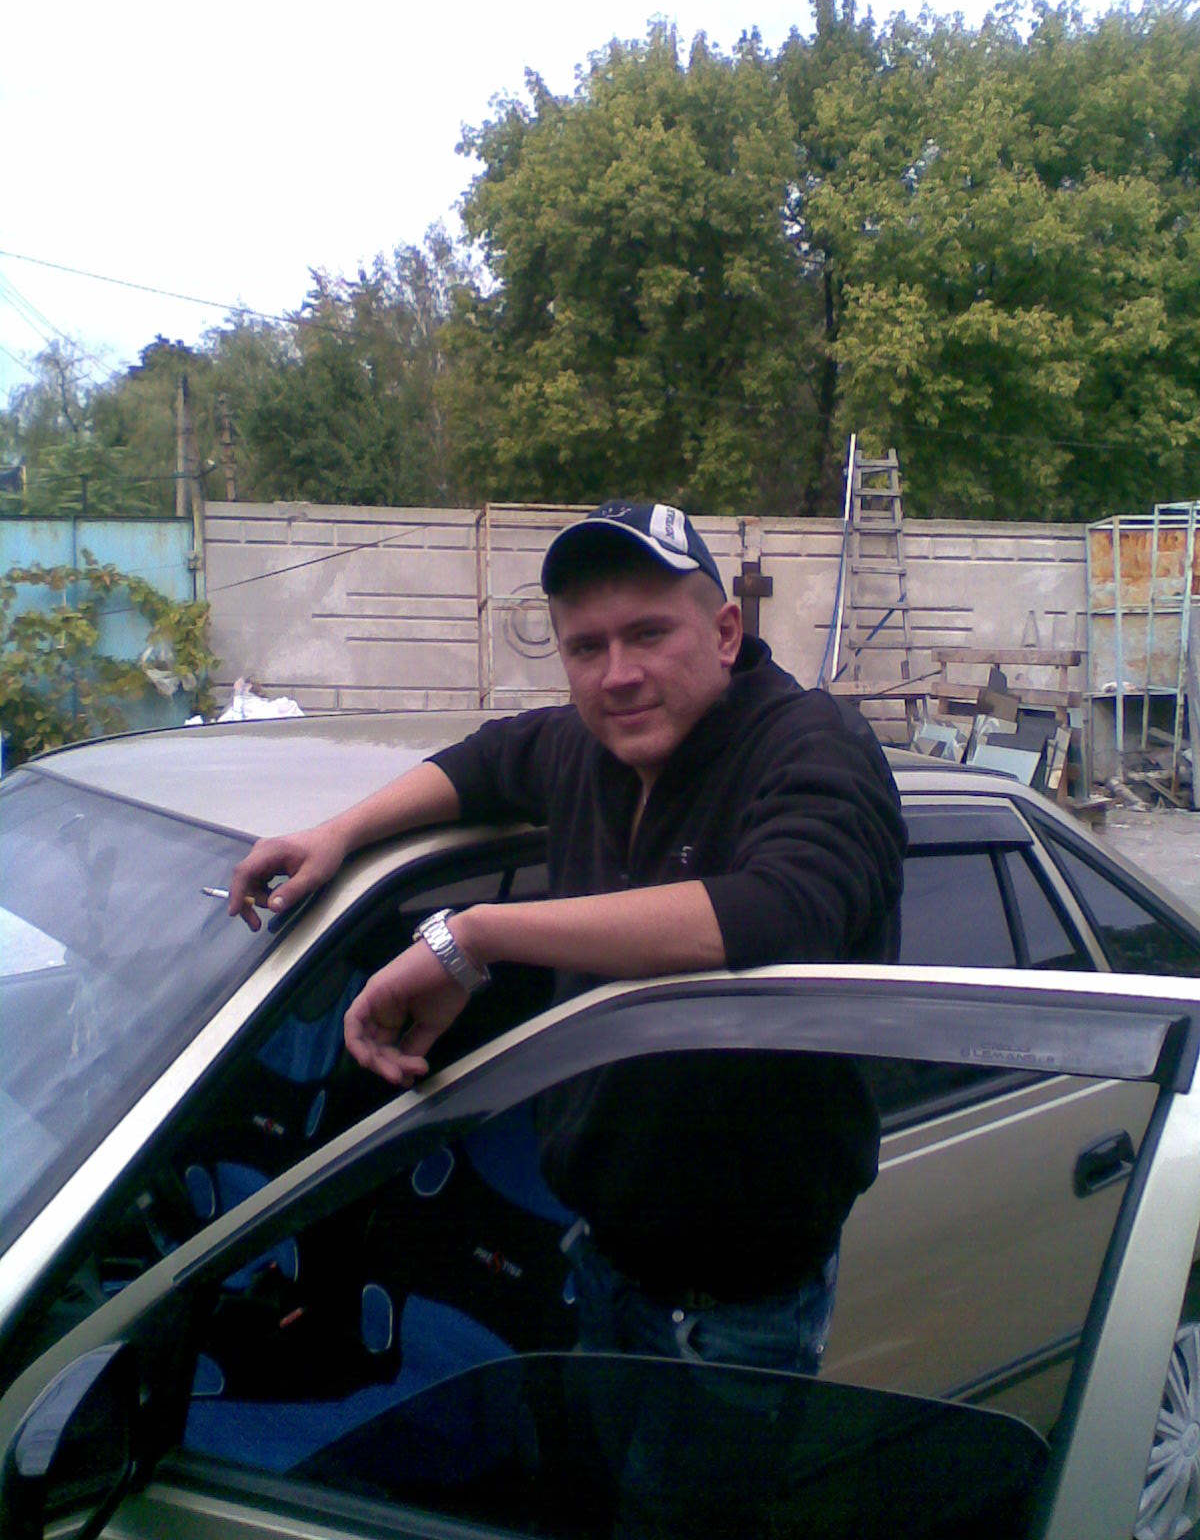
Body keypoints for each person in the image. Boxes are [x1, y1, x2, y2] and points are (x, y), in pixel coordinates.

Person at [230, 499, 906, 1376]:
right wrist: (339, 833)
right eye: (586, 648)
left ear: (725, 633)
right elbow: (482, 762)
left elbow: (780, 910)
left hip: (740, 1306)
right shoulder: (591, 749)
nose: (617, 675)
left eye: (649, 634)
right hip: (597, 1254)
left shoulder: (812, 746)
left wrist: (472, 937)